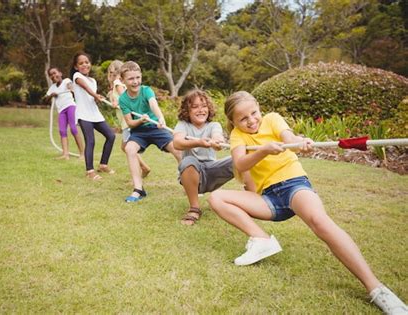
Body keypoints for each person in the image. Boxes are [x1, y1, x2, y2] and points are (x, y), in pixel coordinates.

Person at [207, 91, 407, 315]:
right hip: (268, 198)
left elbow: (289, 139)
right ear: (233, 122)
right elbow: (241, 164)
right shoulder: (237, 135)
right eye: (243, 119)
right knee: (216, 197)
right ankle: (262, 239)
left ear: (259, 109)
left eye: (254, 113)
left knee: (320, 223)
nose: (251, 120)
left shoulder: (272, 119)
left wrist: (298, 143)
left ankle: (377, 290)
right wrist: (263, 150)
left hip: (293, 185)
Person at [118, 61, 181, 202]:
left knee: (177, 148)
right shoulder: (123, 99)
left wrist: (160, 117)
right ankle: (138, 189)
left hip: (155, 127)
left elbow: (153, 103)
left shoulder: (146, 90)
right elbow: (130, 123)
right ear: (123, 81)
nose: (135, 82)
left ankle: (190, 181)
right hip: (139, 130)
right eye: (131, 79)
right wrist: (140, 121)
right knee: (129, 148)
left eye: (137, 77)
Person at [173, 89, 234, 225]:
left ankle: (251, 198)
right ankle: (194, 208)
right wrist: (199, 142)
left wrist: (216, 142)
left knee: (238, 159)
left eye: (204, 106)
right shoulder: (183, 125)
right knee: (188, 161)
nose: (201, 110)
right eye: (195, 107)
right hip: (192, 175)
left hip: (212, 174)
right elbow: (177, 143)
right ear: (187, 111)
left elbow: (217, 137)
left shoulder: (214, 125)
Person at [70, 52, 116, 180]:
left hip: (95, 114)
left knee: (111, 136)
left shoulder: (93, 81)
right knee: (90, 141)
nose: (84, 64)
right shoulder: (77, 76)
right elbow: (85, 88)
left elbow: (91, 96)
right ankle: (89, 171)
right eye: (81, 63)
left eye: (87, 62)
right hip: (83, 114)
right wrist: (95, 95)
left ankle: (103, 164)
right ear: (76, 66)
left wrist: (99, 98)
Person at [107, 60, 151, 178]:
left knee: (128, 148)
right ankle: (143, 167)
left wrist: (118, 102)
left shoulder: (117, 82)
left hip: (127, 122)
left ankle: (144, 168)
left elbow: (124, 97)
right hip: (124, 122)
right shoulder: (118, 85)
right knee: (124, 147)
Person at [44, 67, 84, 160]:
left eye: (55, 73)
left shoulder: (66, 81)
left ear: (60, 73)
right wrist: (51, 95)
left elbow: (71, 87)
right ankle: (65, 154)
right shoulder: (52, 88)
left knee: (73, 129)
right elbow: (45, 100)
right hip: (61, 111)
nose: (54, 76)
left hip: (70, 106)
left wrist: (71, 89)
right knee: (62, 131)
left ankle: (82, 154)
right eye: (51, 75)